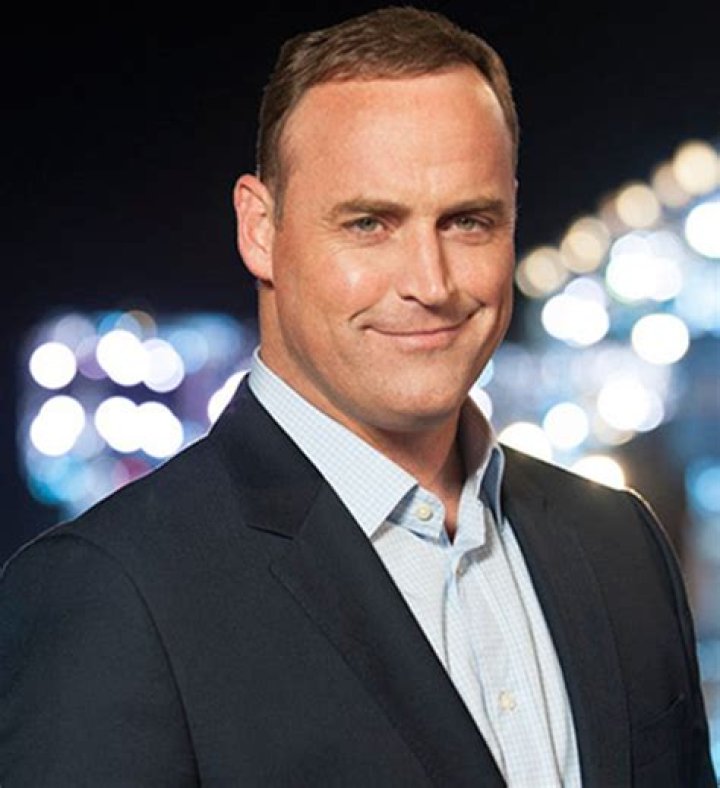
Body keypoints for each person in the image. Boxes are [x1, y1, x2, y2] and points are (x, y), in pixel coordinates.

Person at [0, 6, 715, 787]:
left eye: (468, 221)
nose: (430, 283)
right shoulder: (111, 591)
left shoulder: (620, 544)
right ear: (259, 229)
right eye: (370, 223)